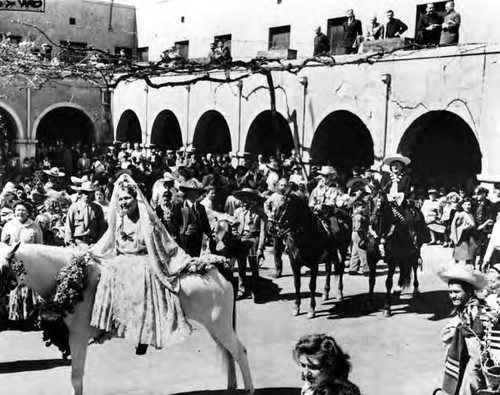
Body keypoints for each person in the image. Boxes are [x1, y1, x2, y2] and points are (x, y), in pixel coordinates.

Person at [90, 174, 192, 355]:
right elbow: (108, 240)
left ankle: (144, 334)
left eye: (127, 198)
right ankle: (109, 326)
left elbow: (161, 243)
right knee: (105, 275)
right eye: (120, 199)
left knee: (140, 280)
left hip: (142, 260)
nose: (123, 202)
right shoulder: (119, 220)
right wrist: (93, 251)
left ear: (136, 199)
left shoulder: (147, 221)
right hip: (121, 259)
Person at [439, 265, 490, 394]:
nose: (453, 296)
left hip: (471, 370)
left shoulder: (473, 313)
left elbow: (476, 358)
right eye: (450, 292)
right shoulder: (462, 310)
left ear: (468, 292)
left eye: (457, 292)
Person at [1, 201, 43, 323]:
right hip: (12, 262)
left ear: (28, 212)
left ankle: (28, 318)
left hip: (29, 261)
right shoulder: (9, 226)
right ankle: (13, 317)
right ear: (14, 212)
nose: (20, 212)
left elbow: (39, 245)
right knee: (12, 288)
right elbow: (3, 246)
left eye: (23, 210)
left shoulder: (34, 226)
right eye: (18, 210)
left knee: (27, 290)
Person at [293, 334, 361, 395]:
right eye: (303, 365)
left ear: (331, 367)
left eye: (313, 367)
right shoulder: (313, 385)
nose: (305, 373)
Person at [233, 188, 267, 302]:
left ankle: (256, 291)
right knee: (241, 267)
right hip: (241, 240)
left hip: (253, 239)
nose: (244, 200)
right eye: (242, 197)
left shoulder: (259, 212)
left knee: (254, 266)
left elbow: (263, 231)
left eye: (247, 197)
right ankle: (241, 290)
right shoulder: (237, 211)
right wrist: (234, 232)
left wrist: (260, 248)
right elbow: (234, 226)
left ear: (252, 199)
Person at [171, 180, 214, 257]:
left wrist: (211, 237)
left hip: (197, 239)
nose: (194, 194)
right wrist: (177, 239)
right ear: (187, 193)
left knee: (195, 260)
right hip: (184, 239)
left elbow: (205, 224)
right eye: (191, 192)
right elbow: (175, 225)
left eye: (196, 192)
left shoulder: (201, 208)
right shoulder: (180, 206)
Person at [64, 181, 107, 247]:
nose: (87, 195)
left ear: (93, 194)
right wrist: (70, 244)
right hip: (77, 242)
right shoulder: (74, 207)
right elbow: (68, 227)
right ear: (81, 193)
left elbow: (101, 228)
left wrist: (98, 244)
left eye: (89, 193)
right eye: (85, 193)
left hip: (93, 243)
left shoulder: (97, 209)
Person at [264, 177, 288, 278]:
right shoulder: (274, 196)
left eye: (285, 185)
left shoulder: (289, 197)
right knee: (277, 249)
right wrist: (270, 215)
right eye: (282, 185)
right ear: (278, 186)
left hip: (287, 225)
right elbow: (266, 205)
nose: (283, 187)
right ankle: (278, 269)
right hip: (277, 225)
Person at [451, 198, 478, 267]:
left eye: (469, 204)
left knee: (469, 257)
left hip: (470, 237)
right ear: (462, 205)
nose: (467, 206)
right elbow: (454, 226)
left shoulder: (471, 215)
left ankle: (468, 271)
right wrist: (455, 238)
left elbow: (474, 226)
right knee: (459, 257)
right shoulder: (461, 214)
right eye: (465, 204)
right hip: (462, 237)